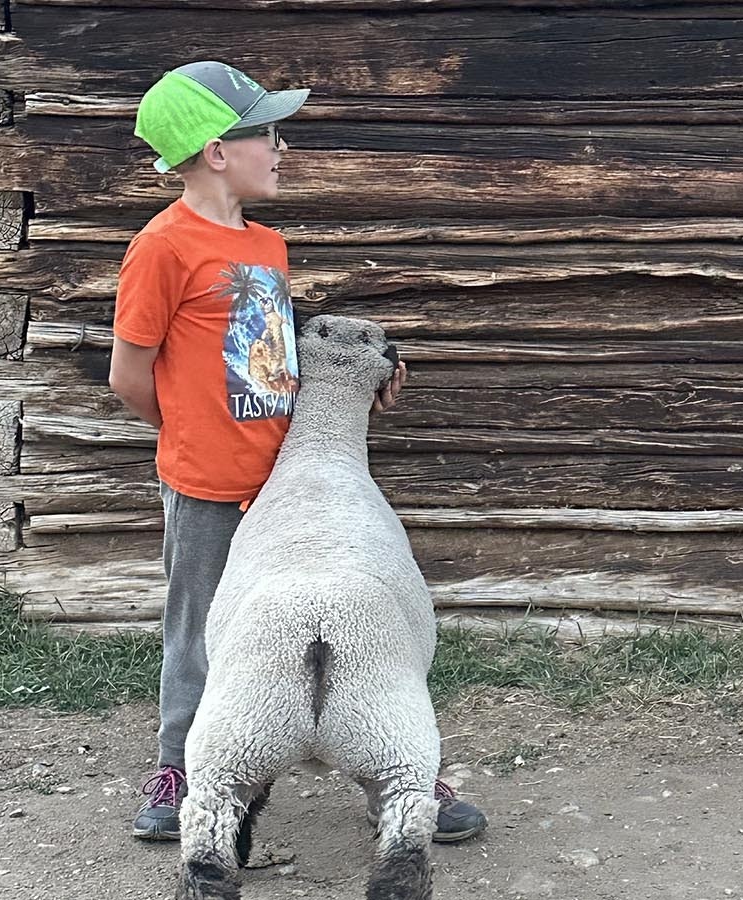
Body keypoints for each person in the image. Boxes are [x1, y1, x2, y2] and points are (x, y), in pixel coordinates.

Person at [110, 60, 488, 839]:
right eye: (268, 134)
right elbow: (128, 376)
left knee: (364, 623)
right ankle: (181, 767)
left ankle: (402, 772)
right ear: (219, 151)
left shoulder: (268, 247)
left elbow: (269, 361)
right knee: (202, 629)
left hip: (295, 484)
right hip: (210, 483)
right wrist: (188, 439)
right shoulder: (162, 248)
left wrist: (364, 382)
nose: (281, 147)